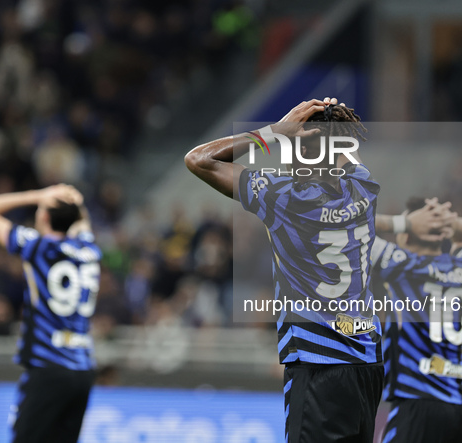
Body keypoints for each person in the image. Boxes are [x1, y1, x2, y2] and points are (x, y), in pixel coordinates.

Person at [185, 97, 437, 442]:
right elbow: (345, 152)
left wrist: (274, 132)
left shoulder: (282, 198)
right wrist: (334, 119)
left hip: (319, 366)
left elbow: (199, 160)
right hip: (367, 365)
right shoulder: (364, 187)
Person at [0, 184, 101, 443]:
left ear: (44, 217)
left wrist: (37, 196)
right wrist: (75, 203)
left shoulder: (37, 247)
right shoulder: (88, 251)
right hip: (83, 370)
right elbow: (82, 222)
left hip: (48, 366)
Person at [372, 197, 462, 443]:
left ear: (408, 235)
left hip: (417, 402)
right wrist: (448, 222)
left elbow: (345, 227)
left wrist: (403, 223)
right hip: (460, 409)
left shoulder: (401, 264)